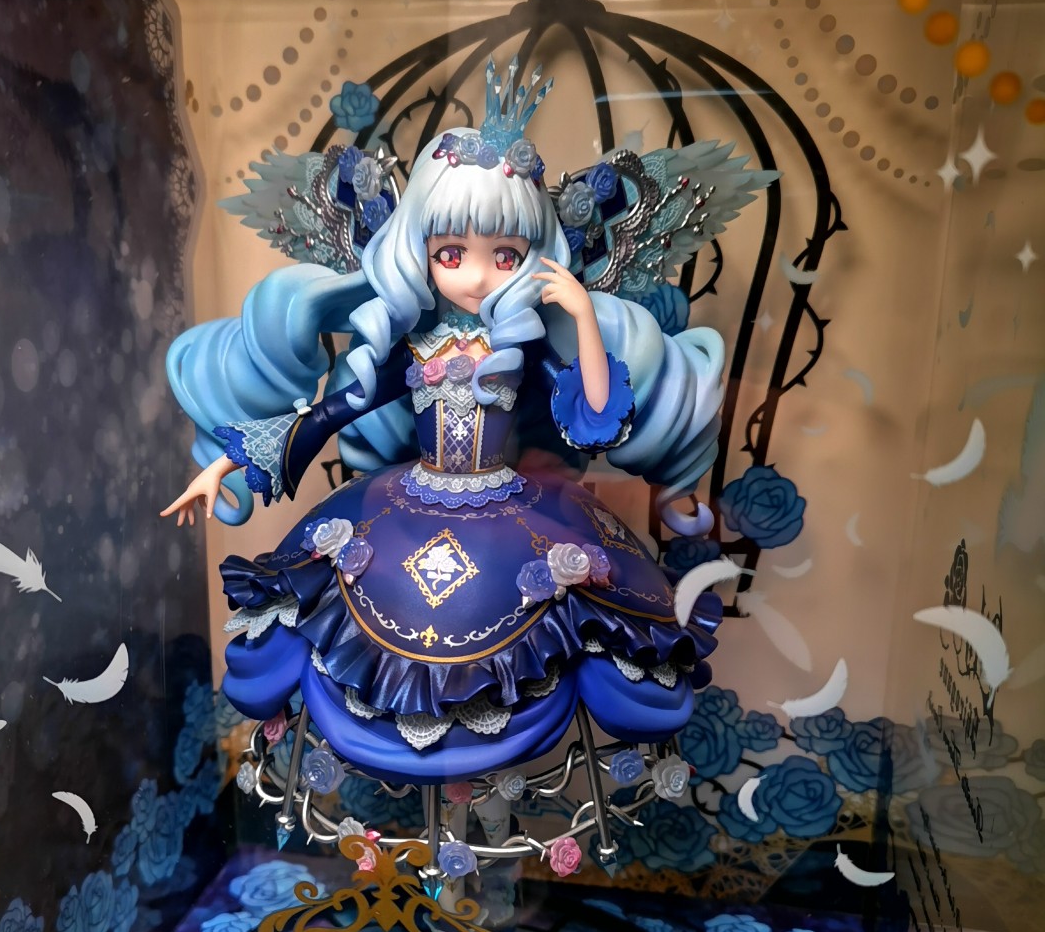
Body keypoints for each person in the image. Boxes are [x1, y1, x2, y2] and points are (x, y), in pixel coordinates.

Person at [162, 64, 750, 799]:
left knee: (573, 621)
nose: (475, 277)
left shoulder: (525, 342)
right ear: (419, 252)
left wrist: (581, 314)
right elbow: (333, 412)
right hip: (404, 508)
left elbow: (595, 417)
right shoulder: (412, 345)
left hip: (518, 512)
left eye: (504, 256)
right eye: (451, 254)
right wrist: (229, 463)